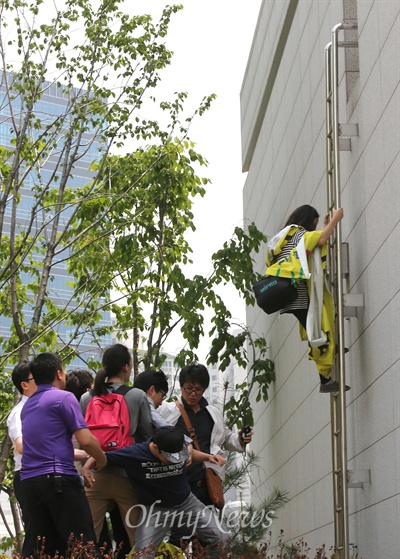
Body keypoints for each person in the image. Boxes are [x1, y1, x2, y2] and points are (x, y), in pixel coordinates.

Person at [81, 425, 230, 559]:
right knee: (142, 555)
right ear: (156, 447)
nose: (174, 461)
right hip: (155, 510)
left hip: (187, 503)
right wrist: (87, 468)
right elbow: (102, 456)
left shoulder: (179, 444)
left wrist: (209, 457)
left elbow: (194, 453)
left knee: (221, 537)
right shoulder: (135, 454)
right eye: (169, 458)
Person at [20, 352, 106, 558]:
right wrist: (101, 459)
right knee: (82, 545)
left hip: (30, 484)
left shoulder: (27, 405)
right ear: (59, 374)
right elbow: (86, 440)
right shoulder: (64, 397)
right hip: (58, 480)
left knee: (48, 550)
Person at [158, 364, 252, 549]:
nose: (192, 394)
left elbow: (227, 439)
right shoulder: (169, 411)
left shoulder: (213, 414)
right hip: (180, 484)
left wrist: (241, 439)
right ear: (181, 387)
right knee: (180, 537)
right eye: (188, 389)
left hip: (206, 484)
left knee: (208, 539)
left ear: (204, 389)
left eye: (198, 390)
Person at [266, 204, 349, 393]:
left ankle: (330, 353)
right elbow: (320, 239)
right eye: (315, 223)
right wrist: (336, 220)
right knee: (317, 333)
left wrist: (326, 224)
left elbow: (311, 243)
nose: (315, 227)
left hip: (290, 295)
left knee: (315, 331)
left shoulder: (286, 236)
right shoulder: (298, 233)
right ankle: (325, 377)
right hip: (298, 295)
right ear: (307, 220)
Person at [80, 343, 153, 549]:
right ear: (127, 367)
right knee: (139, 540)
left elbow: (82, 438)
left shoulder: (87, 397)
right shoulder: (137, 396)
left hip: (94, 476)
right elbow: (147, 437)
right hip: (127, 476)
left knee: (86, 541)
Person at [6, 361, 37, 559]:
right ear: (24, 385)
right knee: (35, 530)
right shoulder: (18, 412)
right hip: (26, 475)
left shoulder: (41, 407)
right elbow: (21, 446)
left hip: (38, 474)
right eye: (36, 378)